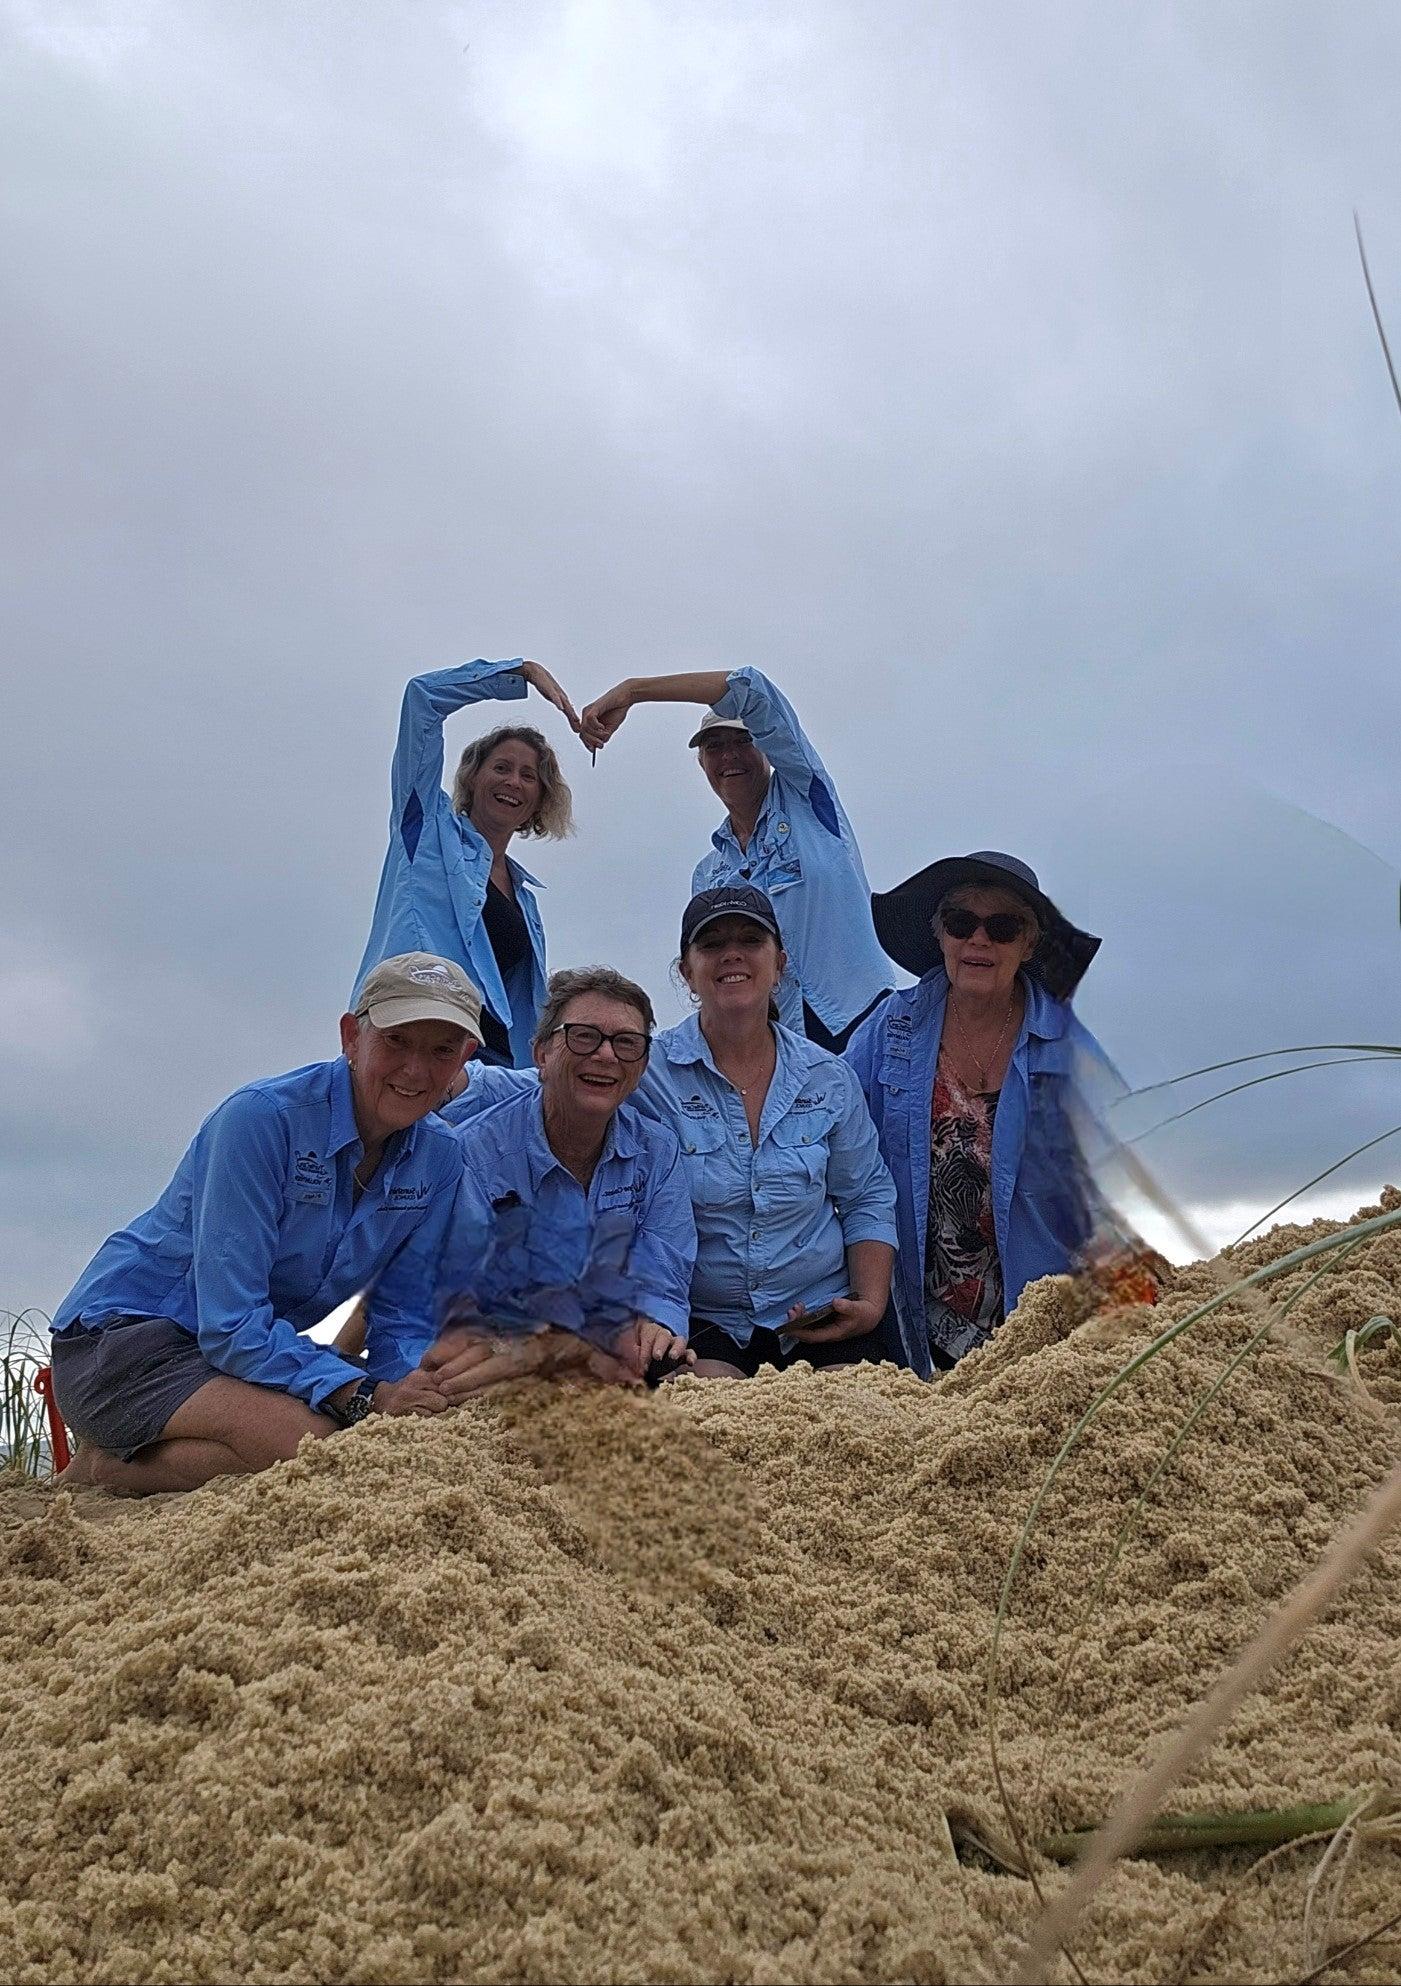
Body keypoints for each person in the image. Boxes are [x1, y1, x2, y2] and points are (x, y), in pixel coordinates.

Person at [48, 956, 487, 1495]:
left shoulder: (441, 1157)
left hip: (228, 1355)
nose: (416, 1070)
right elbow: (231, 1323)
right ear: (352, 1037)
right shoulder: (259, 1120)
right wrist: (368, 1395)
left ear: (464, 1058)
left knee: (398, 1426)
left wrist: (413, 1387)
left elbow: (402, 1311)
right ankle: (103, 1469)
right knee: (309, 1444)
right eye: (396, 1041)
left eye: (441, 1049)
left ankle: (152, 1452)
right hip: (124, 1339)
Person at [845, 850, 1114, 1377]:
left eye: (1003, 926)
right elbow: (824, 1122)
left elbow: (1108, 1193)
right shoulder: (888, 1029)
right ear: (939, 934)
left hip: (1040, 1328)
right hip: (909, 1324)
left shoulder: (1070, 1051)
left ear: (1029, 944)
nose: (979, 940)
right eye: (961, 922)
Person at [368, 967, 698, 1395]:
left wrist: (658, 1326)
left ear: (642, 1066)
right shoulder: (473, 1155)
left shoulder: (658, 1151)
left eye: (627, 1043)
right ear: (541, 1054)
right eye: (583, 1036)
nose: (606, 1055)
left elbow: (666, 1275)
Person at [632, 885, 898, 1378]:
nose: (732, 954)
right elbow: (562, 1082)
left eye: (751, 940)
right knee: (707, 1418)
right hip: (703, 1319)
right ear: (687, 971)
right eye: (711, 944)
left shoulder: (829, 1078)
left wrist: (870, 1303)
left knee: (860, 1421)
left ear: (779, 963)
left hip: (818, 1314)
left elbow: (866, 1196)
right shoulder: (648, 1073)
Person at [579, 668, 891, 1052]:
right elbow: (710, 970)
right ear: (700, 762)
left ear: (767, 748)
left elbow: (751, 687)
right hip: (783, 1048)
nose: (729, 755)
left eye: (742, 740)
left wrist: (633, 690)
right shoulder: (709, 874)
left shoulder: (808, 799)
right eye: (713, 746)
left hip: (867, 1017)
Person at [354, 655, 580, 1067]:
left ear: (538, 801)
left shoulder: (524, 900)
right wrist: (522, 673)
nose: (513, 781)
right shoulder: (425, 832)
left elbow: (522, 1007)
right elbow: (422, 699)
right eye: (501, 767)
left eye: (529, 776)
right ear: (472, 776)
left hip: (489, 1068)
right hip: (411, 1036)